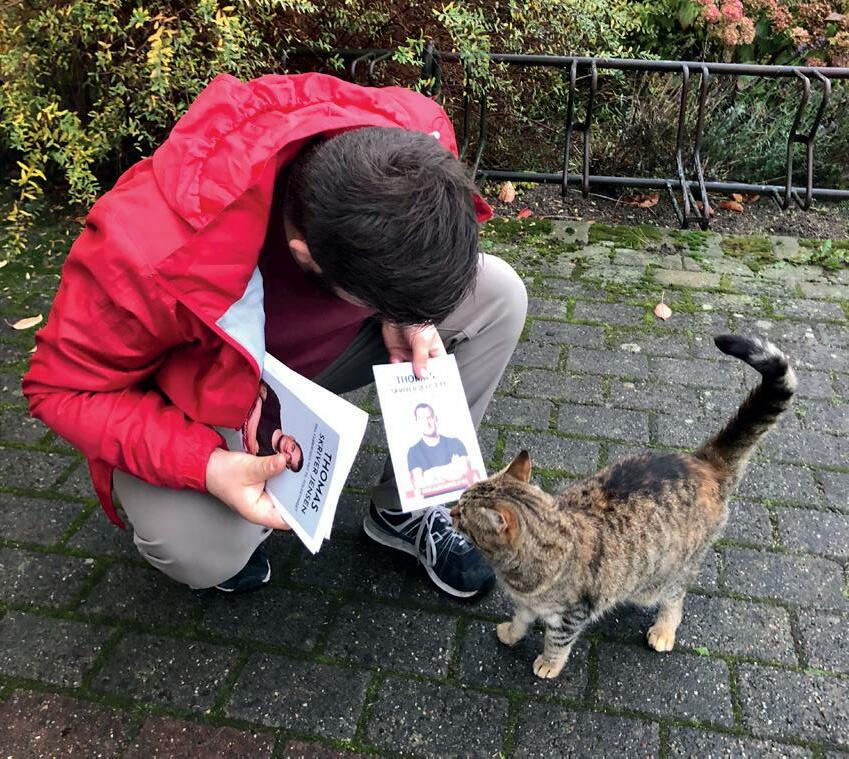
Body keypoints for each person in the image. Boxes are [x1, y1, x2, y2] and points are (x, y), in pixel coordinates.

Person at [23, 72, 527, 598]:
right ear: (305, 256)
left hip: (306, 360)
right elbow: (58, 389)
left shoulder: (414, 136)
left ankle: (403, 511)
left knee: (500, 295)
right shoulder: (145, 250)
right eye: (377, 300)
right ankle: (220, 531)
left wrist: (412, 317)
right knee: (200, 548)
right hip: (204, 393)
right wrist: (206, 466)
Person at [407, 403, 475, 496]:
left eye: (429, 418)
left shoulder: (455, 443)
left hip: (460, 494)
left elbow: (465, 472)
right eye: (421, 419)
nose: (426, 423)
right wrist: (452, 468)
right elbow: (419, 484)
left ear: (435, 419)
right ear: (417, 422)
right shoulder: (413, 452)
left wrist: (429, 474)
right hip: (431, 500)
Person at [242, 382, 304, 472]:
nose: (288, 451)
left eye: (289, 458)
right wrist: (251, 434)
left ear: (286, 464)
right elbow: (256, 384)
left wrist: (258, 403)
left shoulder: (265, 458)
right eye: (292, 448)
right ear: (292, 438)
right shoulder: (275, 407)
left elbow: (250, 447)